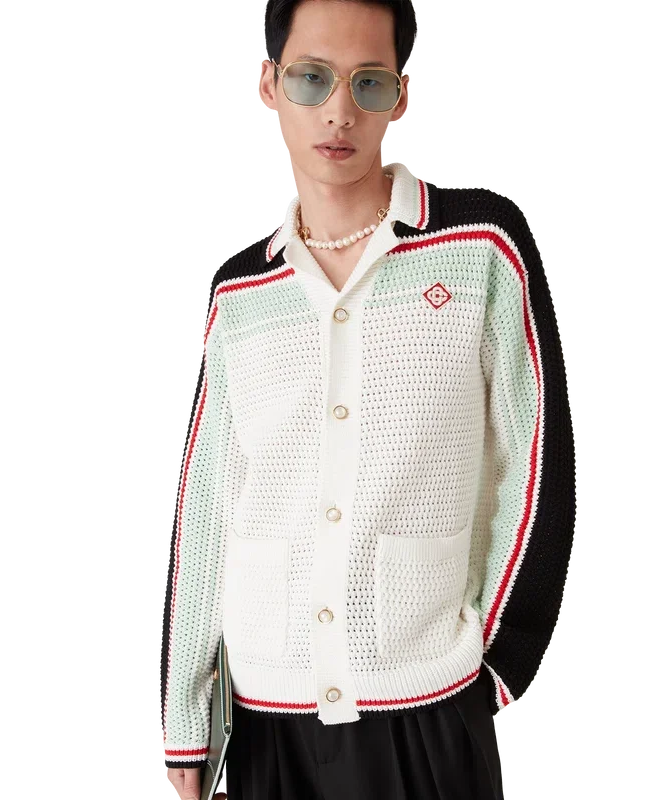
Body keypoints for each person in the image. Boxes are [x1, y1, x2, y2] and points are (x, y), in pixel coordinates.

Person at [160, 1, 577, 798]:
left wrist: (497, 667)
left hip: (427, 711)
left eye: (369, 83)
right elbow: (209, 509)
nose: (339, 111)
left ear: (403, 96)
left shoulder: (481, 245)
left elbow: (537, 465)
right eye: (311, 79)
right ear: (268, 85)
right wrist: (184, 727)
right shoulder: (240, 292)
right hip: (262, 722)